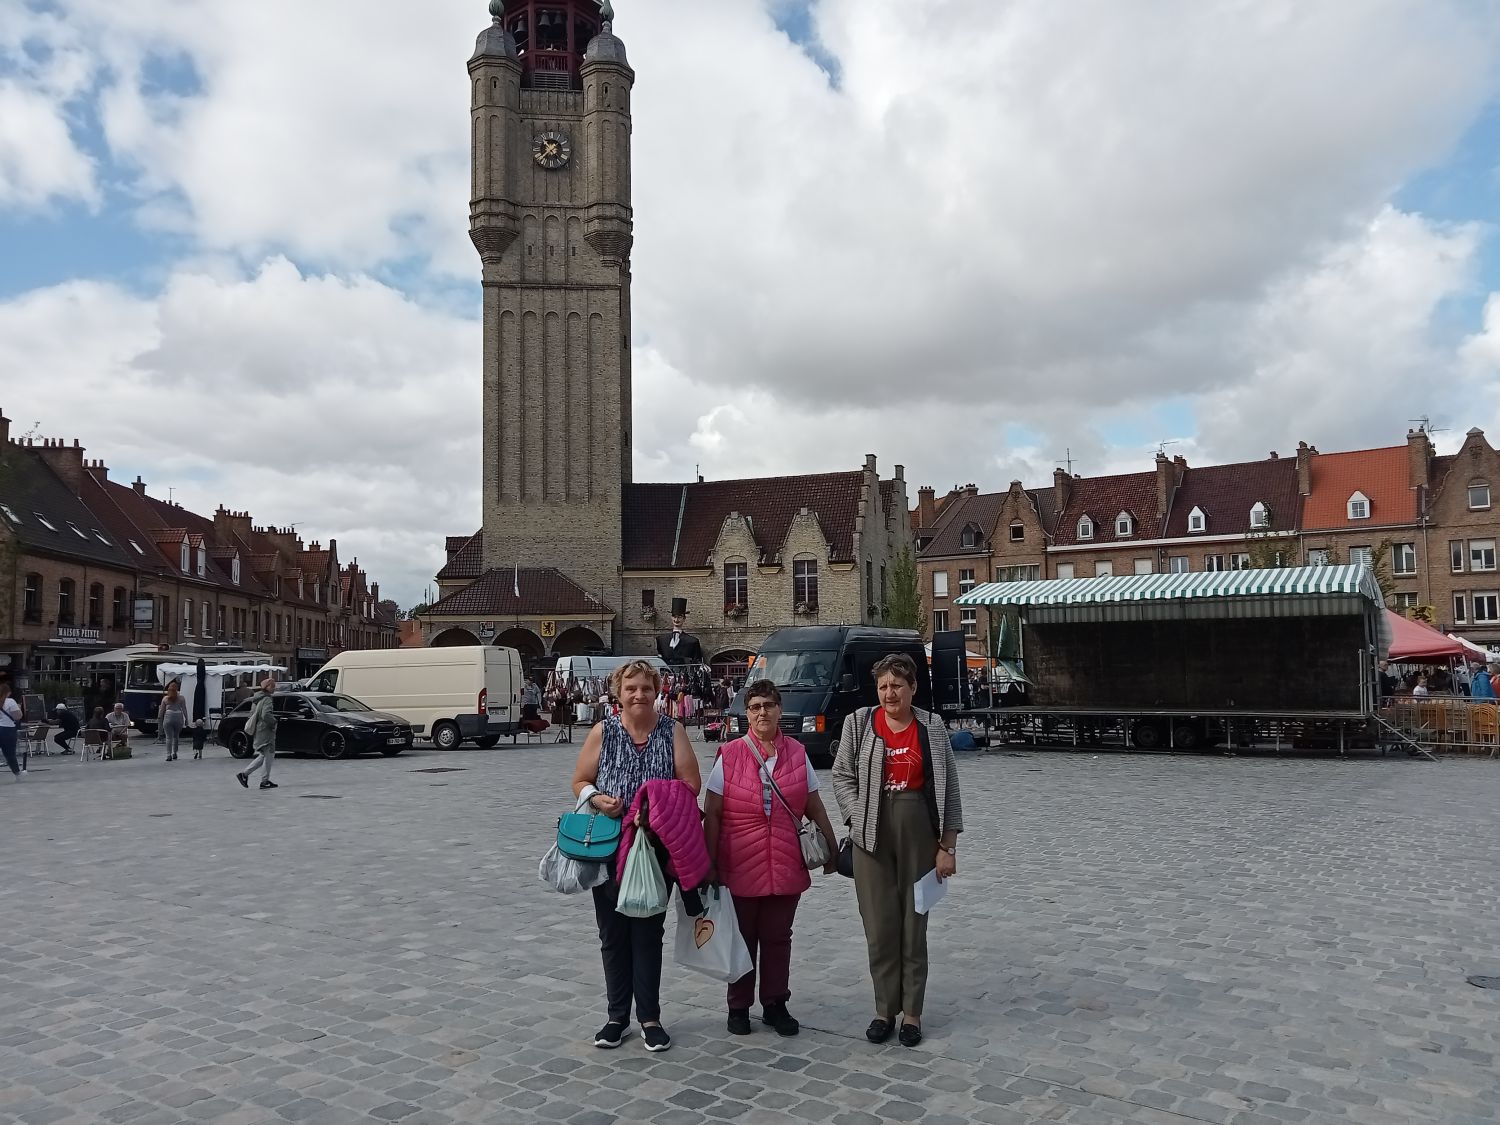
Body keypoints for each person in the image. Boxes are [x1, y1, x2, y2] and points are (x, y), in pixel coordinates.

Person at [832, 652, 963, 1049]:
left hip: (917, 829)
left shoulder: (932, 726)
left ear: (913, 689)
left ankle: (912, 1013)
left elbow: (950, 788)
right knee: (880, 925)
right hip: (870, 834)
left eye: (897, 686)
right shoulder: (858, 723)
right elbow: (841, 775)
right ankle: (883, 1009)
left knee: (913, 924)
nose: (890, 693)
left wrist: (947, 846)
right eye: (884, 686)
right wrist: (859, 816)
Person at [570, 659, 701, 1053]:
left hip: (655, 846)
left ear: (656, 690)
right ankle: (616, 1017)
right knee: (612, 934)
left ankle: (650, 1017)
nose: (639, 695)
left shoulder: (671, 731)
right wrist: (596, 798)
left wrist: (657, 804)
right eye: (631, 688)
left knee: (647, 932)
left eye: (646, 687)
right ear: (618, 693)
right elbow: (579, 780)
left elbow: (691, 783)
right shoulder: (603, 732)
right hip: (610, 844)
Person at [703, 680, 838, 1037]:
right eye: (755, 707)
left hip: (784, 857)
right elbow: (713, 812)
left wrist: (831, 847)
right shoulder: (730, 754)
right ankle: (739, 1006)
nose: (762, 712)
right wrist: (711, 861)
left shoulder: (797, 752)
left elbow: (813, 804)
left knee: (778, 937)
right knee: (742, 938)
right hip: (740, 858)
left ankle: (776, 1002)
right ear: (747, 714)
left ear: (780, 710)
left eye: (768, 705)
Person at [236, 678, 279, 790]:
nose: (274, 688)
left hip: (259, 731)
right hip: (266, 731)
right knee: (269, 755)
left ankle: (244, 774)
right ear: (267, 687)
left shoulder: (257, 698)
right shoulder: (267, 699)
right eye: (272, 686)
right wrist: (274, 722)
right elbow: (266, 715)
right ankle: (264, 781)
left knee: (264, 755)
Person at [656, 598, 704, 667]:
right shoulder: (661, 640)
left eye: (679, 617)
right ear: (671, 618)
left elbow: (697, 663)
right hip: (666, 675)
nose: (676, 619)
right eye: (674, 616)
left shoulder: (693, 642)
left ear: (684, 618)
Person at [158, 680, 189, 762]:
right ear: (177, 689)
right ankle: (174, 753)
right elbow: (184, 709)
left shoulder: (165, 698)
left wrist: (160, 719)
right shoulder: (181, 698)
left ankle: (168, 755)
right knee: (176, 736)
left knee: (168, 737)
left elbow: (161, 710)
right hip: (178, 717)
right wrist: (186, 719)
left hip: (168, 716)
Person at [0, 683, 23, 781]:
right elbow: (17, 716)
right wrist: (19, 707)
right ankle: (17, 774)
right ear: (8, 692)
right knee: (10, 754)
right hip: (7, 729)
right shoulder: (10, 701)